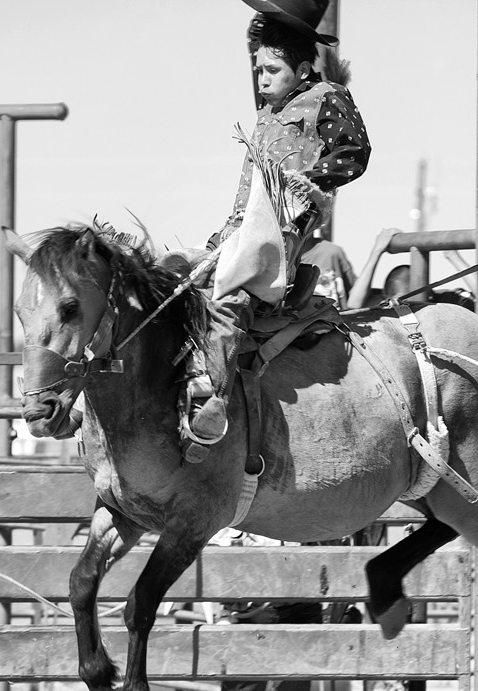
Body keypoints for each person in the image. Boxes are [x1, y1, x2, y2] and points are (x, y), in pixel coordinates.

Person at [183, 0, 371, 463]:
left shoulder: (326, 96)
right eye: (258, 69)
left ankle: (214, 401)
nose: (261, 79)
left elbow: (355, 151)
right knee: (173, 281)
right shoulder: (267, 114)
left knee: (231, 306)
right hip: (240, 232)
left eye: (271, 69)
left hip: (282, 236)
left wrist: (309, 188)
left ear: (303, 67)